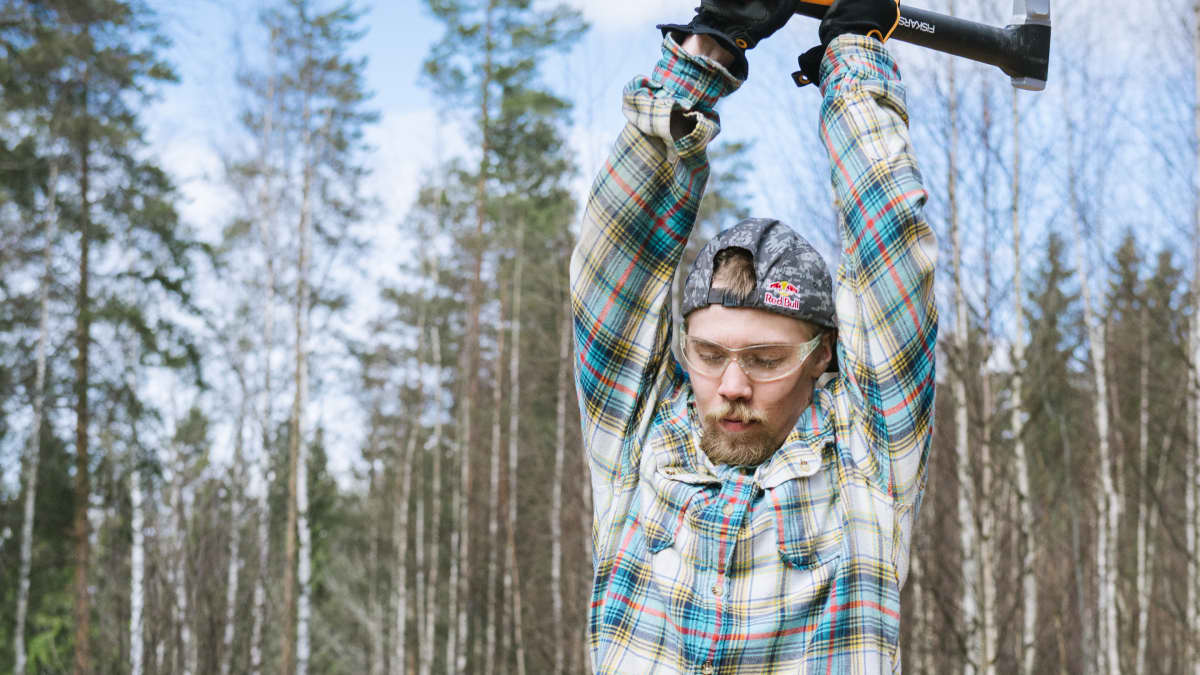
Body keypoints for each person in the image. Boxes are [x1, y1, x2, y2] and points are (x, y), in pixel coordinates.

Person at [570, 0, 937, 671]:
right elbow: (617, 254)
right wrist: (707, 51)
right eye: (709, 355)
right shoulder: (636, 439)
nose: (731, 386)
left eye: (766, 359)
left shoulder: (868, 462)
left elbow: (892, 251)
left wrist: (852, 57)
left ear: (821, 354)